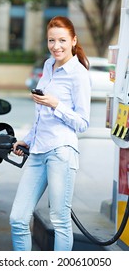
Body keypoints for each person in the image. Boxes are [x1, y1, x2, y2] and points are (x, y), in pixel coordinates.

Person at [10, 16, 91, 251]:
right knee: (18, 218)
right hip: (37, 152)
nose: (57, 46)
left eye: (62, 40)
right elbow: (40, 115)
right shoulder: (48, 65)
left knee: (60, 221)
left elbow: (83, 123)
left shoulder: (79, 74)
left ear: (73, 40)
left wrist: (56, 104)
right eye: (51, 40)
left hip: (61, 152)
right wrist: (27, 139)